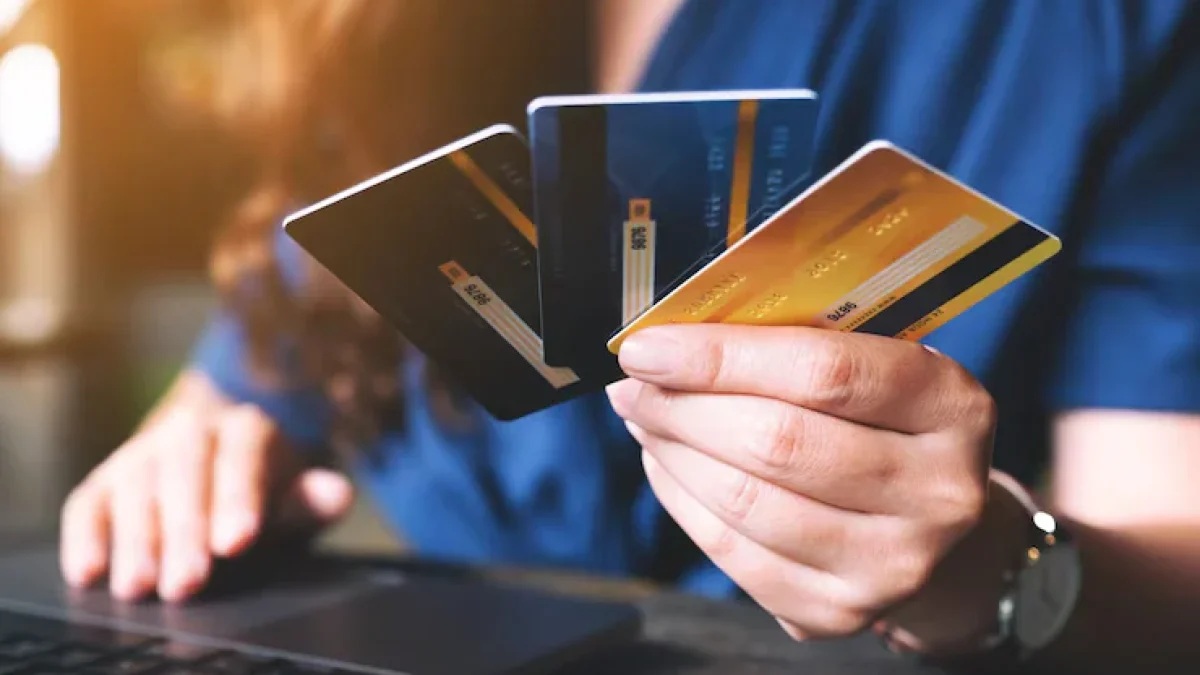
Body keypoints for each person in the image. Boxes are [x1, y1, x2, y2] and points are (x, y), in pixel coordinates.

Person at [60, 0, 1200, 670]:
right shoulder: (380, 31)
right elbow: (242, 385)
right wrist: (184, 468)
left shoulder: (1092, 28)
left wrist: (990, 573)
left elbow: (1175, 568)